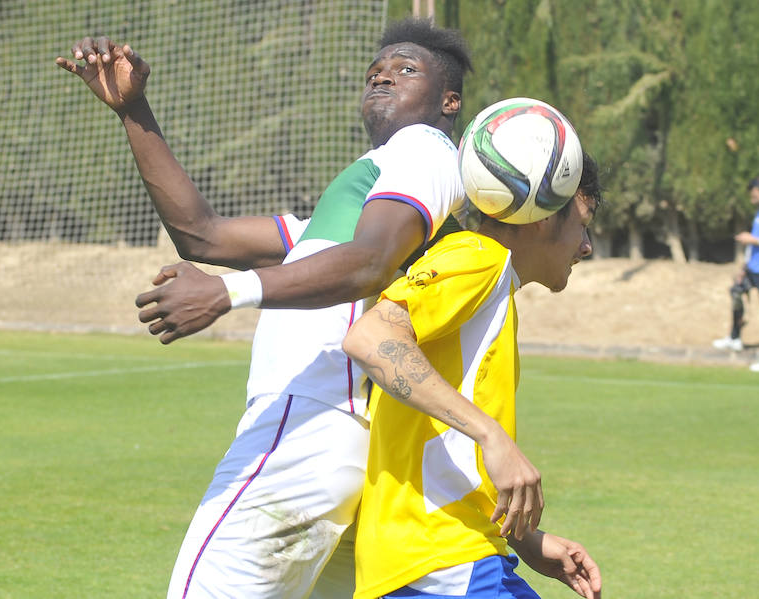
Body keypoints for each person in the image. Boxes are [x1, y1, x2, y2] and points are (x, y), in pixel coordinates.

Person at [57, 19, 543, 598]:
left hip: (305, 428)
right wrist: (133, 111)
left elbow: (368, 262)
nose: (383, 75)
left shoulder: (424, 149)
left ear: (450, 101)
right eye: (374, 72)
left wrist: (226, 293)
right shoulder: (364, 194)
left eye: (405, 69)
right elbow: (204, 236)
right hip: (341, 454)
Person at [343, 152, 603, 599]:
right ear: (539, 216)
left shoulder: (492, 279)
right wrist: (493, 436)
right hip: (442, 558)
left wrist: (526, 540)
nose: (587, 246)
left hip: (447, 557)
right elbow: (370, 337)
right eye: (583, 224)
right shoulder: (482, 259)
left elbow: (441, 444)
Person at [712, 176, 759, 372]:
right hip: (754, 268)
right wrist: (744, 267)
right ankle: (735, 338)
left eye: (754, 194)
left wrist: (752, 240)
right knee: (736, 293)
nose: (752, 198)